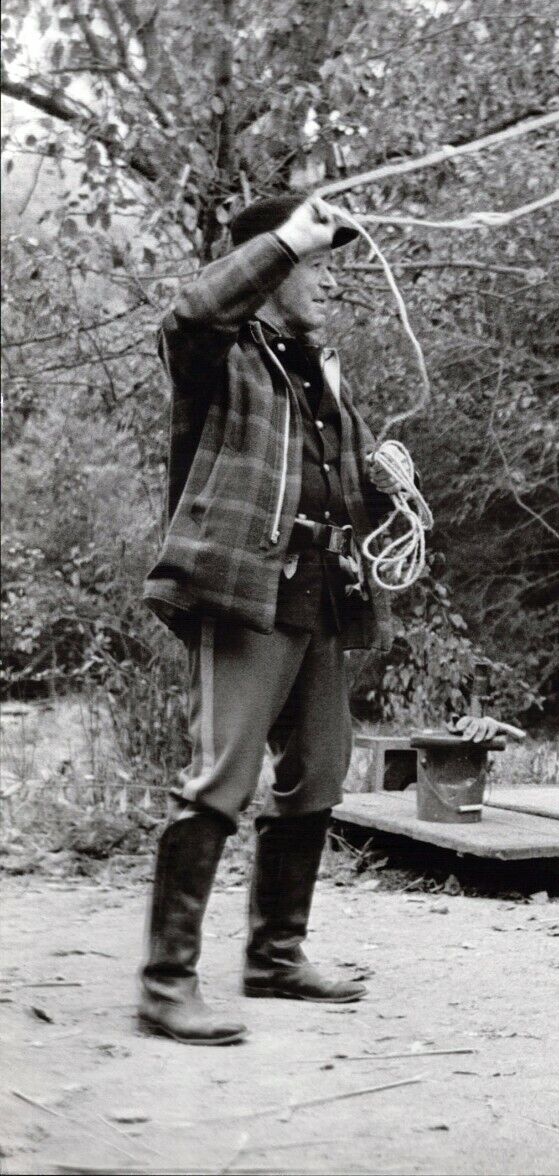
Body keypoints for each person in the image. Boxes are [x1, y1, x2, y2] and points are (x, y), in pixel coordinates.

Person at [138, 195, 408, 1045]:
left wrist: (380, 474)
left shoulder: (319, 365)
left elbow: (330, 474)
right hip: (247, 589)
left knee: (320, 774)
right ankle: (165, 984)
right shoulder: (215, 355)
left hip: (326, 589)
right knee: (221, 777)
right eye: (315, 264)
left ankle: (274, 955)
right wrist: (284, 238)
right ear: (274, 267)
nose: (330, 280)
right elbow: (191, 307)